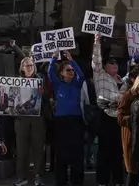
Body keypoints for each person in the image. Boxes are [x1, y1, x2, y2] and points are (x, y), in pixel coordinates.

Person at [91, 34, 124, 186]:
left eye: (116, 62)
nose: (114, 64)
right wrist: (96, 42)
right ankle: (102, 181)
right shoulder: (100, 75)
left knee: (118, 152)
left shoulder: (122, 81)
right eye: (111, 62)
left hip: (118, 118)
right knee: (104, 152)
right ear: (105, 66)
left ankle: (118, 181)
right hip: (105, 117)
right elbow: (96, 60)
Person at [49, 50, 85, 186]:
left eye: (72, 70)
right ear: (62, 73)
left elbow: (81, 75)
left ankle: (77, 181)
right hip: (61, 122)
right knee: (61, 153)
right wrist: (53, 58)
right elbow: (51, 73)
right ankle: (61, 181)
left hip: (75, 120)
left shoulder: (77, 84)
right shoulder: (58, 84)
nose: (71, 72)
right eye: (68, 70)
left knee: (77, 153)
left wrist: (72, 61)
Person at [13, 57, 47, 186]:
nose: (30, 67)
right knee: (22, 149)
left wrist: (43, 93)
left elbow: (47, 97)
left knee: (38, 147)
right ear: (22, 68)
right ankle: (22, 176)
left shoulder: (40, 80)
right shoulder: (16, 81)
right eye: (27, 66)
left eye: (32, 65)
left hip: (37, 118)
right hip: (21, 119)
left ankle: (38, 175)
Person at [117, 68, 139, 186]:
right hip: (130, 136)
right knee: (132, 171)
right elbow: (120, 118)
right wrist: (134, 117)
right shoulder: (128, 96)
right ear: (133, 79)